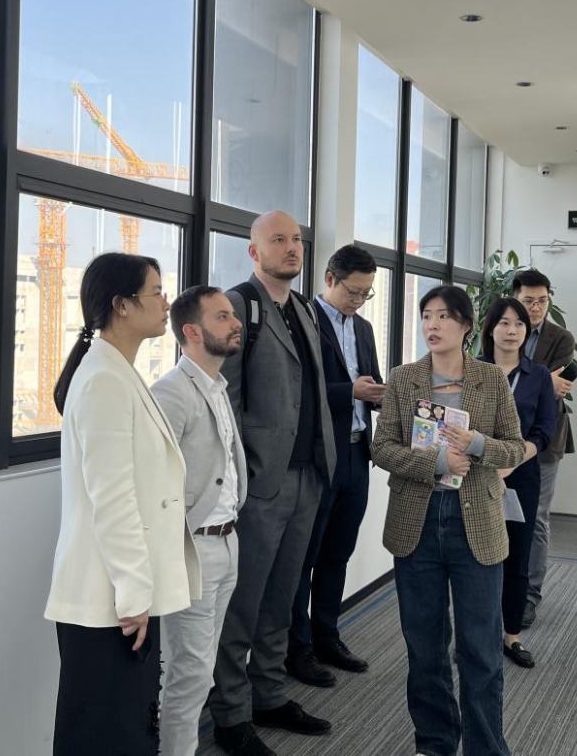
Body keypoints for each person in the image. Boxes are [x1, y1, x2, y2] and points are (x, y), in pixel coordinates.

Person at [45, 252, 200, 756]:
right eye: (156, 292)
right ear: (122, 305)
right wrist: (134, 597)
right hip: (109, 600)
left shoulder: (117, 371)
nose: (166, 302)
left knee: (126, 727)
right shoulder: (104, 380)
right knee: (106, 735)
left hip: (122, 597)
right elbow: (112, 499)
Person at [371, 285, 525, 756]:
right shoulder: (403, 379)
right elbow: (381, 448)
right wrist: (435, 462)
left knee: (480, 649)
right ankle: (435, 743)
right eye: (426, 316)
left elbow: (514, 448)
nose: (432, 325)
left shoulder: (491, 379)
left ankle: (485, 748)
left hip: (475, 522)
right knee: (425, 647)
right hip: (416, 523)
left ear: (466, 326)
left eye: (443, 316)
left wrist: (476, 444)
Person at [211, 211, 337, 756]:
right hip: (261, 482)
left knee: (283, 599)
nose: (292, 248)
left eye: (297, 241)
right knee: (244, 602)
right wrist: (241, 478)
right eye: (279, 240)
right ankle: (230, 714)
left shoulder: (304, 308)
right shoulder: (238, 307)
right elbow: (226, 401)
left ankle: (268, 694)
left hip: (309, 474)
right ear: (253, 251)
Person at [152, 286, 247, 756]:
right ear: (192, 331)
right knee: (189, 674)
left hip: (227, 540)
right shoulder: (171, 392)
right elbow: (153, 482)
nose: (236, 323)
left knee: (203, 669)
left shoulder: (217, 386)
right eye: (222, 316)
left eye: (233, 315)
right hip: (193, 547)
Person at [286, 244, 385, 686]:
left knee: (338, 552)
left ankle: (327, 636)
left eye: (366, 293)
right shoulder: (301, 319)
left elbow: (369, 379)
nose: (359, 301)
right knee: (304, 557)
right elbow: (295, 390)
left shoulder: (363, 327)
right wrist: (350, 392)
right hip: (318, 456)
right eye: (353, 291)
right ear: (329, 279)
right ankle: (297, 649)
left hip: (357, 453)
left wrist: (382, 394)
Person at [478, 298, 558, 669]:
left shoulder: (538, 375)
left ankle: (511, 636)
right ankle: (477, 636)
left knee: (516, 556)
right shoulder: (473, 369)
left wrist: (512, 460)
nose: (512, 331)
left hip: (521, 477)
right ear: (490, 328)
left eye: (519, 324)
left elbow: (544, 430)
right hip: (476, 474)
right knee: (477, 559)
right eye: (504, 323)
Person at [512, 268, 577, 629]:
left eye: (542, 301)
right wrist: (541, 381)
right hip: (502, 438)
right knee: (502, 513)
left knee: (536, 517)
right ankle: (504, 586)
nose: (535, 308)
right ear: (515, 298)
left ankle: (529, 595)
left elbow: (555, 390)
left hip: (545, 439)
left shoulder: (561, 338)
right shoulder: (502, 329)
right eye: (528, 301)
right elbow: (490, 379)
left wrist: (525, 382)